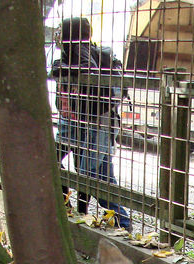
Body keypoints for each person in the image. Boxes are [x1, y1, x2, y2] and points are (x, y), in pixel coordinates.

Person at [50, 17, 132, 231]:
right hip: (75, 120)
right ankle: (69, 208)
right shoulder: (71, 52)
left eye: (62, 31)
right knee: (56, 161)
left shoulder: (80, 50)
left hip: (96, 121)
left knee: (96, 173)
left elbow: (88, 71)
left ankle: (122, 224)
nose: (58, 35)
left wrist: (62, 68)